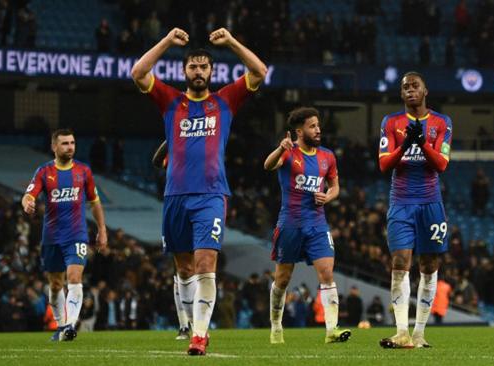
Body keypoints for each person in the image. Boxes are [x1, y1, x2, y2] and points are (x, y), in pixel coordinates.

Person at [131, 27, 267, 356]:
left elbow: (260, 71)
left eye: (204, 66)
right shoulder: (170, 102)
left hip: (211, 194)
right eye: (193, 66)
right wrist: (166, 40)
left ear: (212, 71)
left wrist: (233, 41)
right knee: (183, 268)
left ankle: (200, 335)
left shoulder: (224, 102)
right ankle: (189, 324)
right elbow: (138, 73)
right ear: (184, 71)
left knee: (206, 263)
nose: (198, 71)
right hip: (175, 195)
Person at [263, 107, 351, 345]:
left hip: (317, 223)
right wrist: (280, 148)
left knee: (327, 274)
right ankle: (276, 326)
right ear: (299, 131)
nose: (318, 129)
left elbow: (335, 186)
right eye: (312, 126)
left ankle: (331, 330)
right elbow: (268, 166)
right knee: (282, 279)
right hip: (290, 223)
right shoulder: (289, 152)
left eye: (318, 125)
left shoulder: (327, 156)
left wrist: (328, 197)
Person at [377, 71, 453, 349]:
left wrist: (420, 143)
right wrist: (406, 145)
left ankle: (419, 333)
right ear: (401, 94)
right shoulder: (391, 122)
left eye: (414, 86)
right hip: (401, 202)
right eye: (405, 87)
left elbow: (442, 165)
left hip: (431, 202)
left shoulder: (442, 122)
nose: (410, 90)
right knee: (399, 262)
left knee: (430, 266)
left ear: (425, 90)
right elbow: (384, 165)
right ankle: (402, 332)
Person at [21, 129, 108, 341]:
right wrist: (28, 204)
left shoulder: (83, 171)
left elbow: (94, 202)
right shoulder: (44, 171)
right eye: (65, 143)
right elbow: (28, 194)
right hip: (51, 236)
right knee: (55, 285)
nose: (70, 147)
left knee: (75, 277)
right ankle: (61, 326)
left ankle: (69, 325)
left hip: (77, 234)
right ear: (54, 147)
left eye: (72, 143)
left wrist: (102, 229)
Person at [151, 140, 190, 339]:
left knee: (201, 267)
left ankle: (198, 323)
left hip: (201, 206)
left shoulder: (206, 145)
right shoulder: (174, 152)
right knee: (181, 270)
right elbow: (157, 161)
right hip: (176, 208)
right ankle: (184, 325)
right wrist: (170, 137)